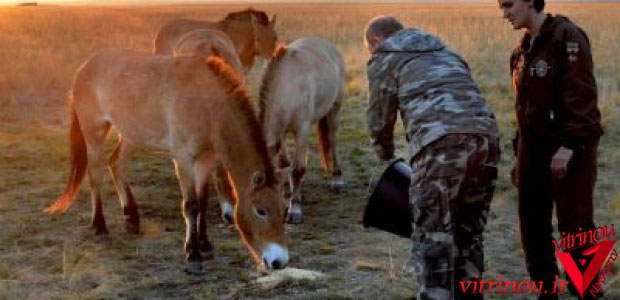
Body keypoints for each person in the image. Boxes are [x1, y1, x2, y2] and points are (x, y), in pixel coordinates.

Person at [364, 16, 500, 300]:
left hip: (440, 145)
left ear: (376, 41)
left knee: (433, 238)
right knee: (469, 233)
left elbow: (379, 118)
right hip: (487, 140)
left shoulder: (384, 57)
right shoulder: (445, 50)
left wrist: (385, 154)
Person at [498, 0, 603, 299]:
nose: (504, 13)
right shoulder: (521, 51)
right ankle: (547, 293)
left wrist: (569, 146)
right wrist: (521, 152)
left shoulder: (566, 37)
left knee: (576, 228)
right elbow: (525, 109)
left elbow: (582, 97)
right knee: (532, 228)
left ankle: (589, 293)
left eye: (508, 4)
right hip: (533, 148)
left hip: (571, 148)